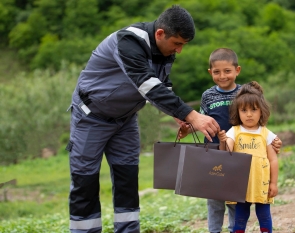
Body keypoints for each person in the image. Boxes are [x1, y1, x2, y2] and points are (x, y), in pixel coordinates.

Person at [66, 5, 220, 233]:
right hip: (91, 117)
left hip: (125, 120)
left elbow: (163, 84)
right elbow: (147, 85)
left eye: (183, 45)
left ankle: (128, 230)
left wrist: (177, 116)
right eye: (177, 43)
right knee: (85, 181)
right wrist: (191, 114)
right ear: (160, 34)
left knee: (127, 178)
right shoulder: (128, 42)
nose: (179, 51)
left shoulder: (165, 51)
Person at [178, 49, 281, 233]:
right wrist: (188, 130)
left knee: (235, 198)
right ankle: (214, 230)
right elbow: (200, 120)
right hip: (213, 152)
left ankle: (235, 229)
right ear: (210, 72)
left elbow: (258, 122)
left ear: (237, 70)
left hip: (238, 155)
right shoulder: (207, 95)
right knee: (214, 198)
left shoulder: (244, 93)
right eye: (217, 72)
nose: (222, 76)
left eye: (227, 71)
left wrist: (272, 142)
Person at [217, 81, 279, 233]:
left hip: (261, 184)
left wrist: (273, 183)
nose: (249, 114)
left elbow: (273, 160)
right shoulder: (234, 131)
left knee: (264, 215)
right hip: (241, 185)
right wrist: (223, 140)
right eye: (244, 110)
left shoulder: (265, 133)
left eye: (253, 110)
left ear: (261, 111)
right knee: (240, 216)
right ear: (238, 112)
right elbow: (227, 152)